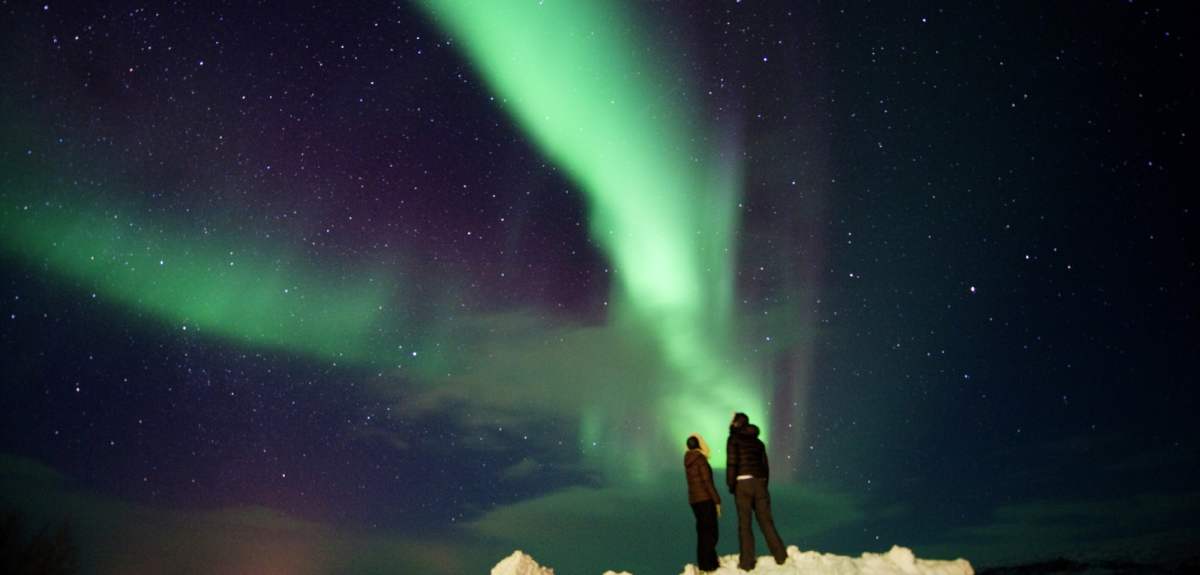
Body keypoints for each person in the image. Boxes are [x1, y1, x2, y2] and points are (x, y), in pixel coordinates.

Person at [726, 413, 787, 570]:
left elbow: (732, 463)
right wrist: (763, 485)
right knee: (767, 522)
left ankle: (747, 563)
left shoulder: (733, 440)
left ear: (737, 424)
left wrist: (731, 485)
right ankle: (781, 557)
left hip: (742, 483)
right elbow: (765, 467)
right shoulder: (758, 443)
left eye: (732, 421)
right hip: (760, 483)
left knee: (745, 525)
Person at [684, 433, 721, 572]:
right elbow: (707, 482)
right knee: (710, 533)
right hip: (705, 500)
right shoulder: (700, 460)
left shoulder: (688, 459)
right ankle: (709, 565)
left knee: (702, 532)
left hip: (695, 501)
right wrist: (717, 500)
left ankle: (705, 563)